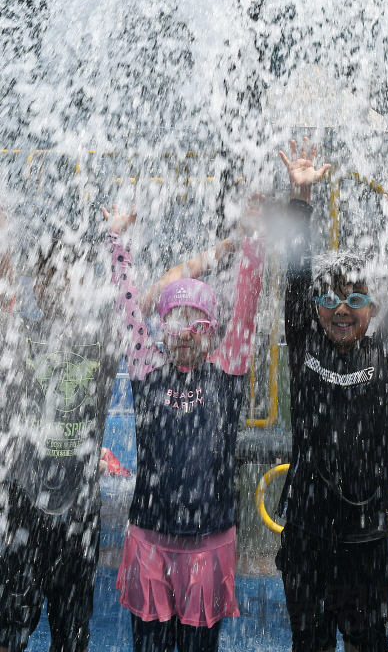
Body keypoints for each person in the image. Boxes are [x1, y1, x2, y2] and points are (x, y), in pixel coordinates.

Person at [276, 136, 388, 652]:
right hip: (308, 537)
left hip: (370, 540)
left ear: (372, 309)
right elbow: (295, 272)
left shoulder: (385, 350)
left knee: (370, 643)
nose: (342, 307)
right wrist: (301, 201)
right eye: (330, 297)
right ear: (316, 308)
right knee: (309, 644)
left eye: (355, 296)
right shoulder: (305, 340)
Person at [105, 198, 265, 652]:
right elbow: (128, 308)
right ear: (163, 327)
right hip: (149, 538)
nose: (187, 333)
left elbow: (248, 305)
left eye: (199, 324)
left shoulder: (227, 372)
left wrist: (252, 240)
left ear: (213, 331)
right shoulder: (147, 370)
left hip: (209, 543)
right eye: (177, 321)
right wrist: (117, 242)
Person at [0, 227, 121, 652]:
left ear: (81, 278)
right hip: (21, 511)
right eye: (47, 275)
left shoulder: (100, 338)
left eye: (66, 273)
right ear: (34, 281)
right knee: (8, 630)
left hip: (78, 515)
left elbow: (132, 305)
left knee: (73, 638)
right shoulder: (15, 336)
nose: (57, 285)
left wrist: (119, 244)